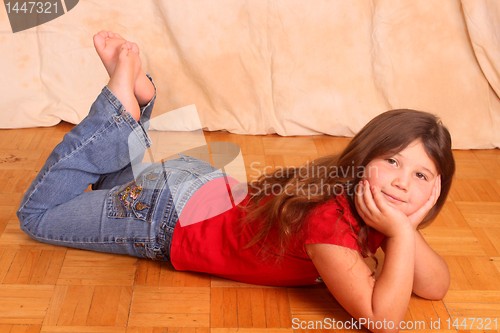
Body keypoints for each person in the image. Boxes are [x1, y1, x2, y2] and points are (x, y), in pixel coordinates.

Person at [17, 31, 455, 333]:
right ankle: (117, 110)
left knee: (107, 185)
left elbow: (434, 288)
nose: (402, 183)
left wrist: (405, 230)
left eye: (420, 175)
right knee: (38, 217)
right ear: (362, 160)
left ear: (436, 187)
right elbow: (383, 320)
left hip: (197, 186)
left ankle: (138, 104)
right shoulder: (330, 227)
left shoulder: (367, 203)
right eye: (392, 161)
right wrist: (401, 230)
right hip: (164, 216)